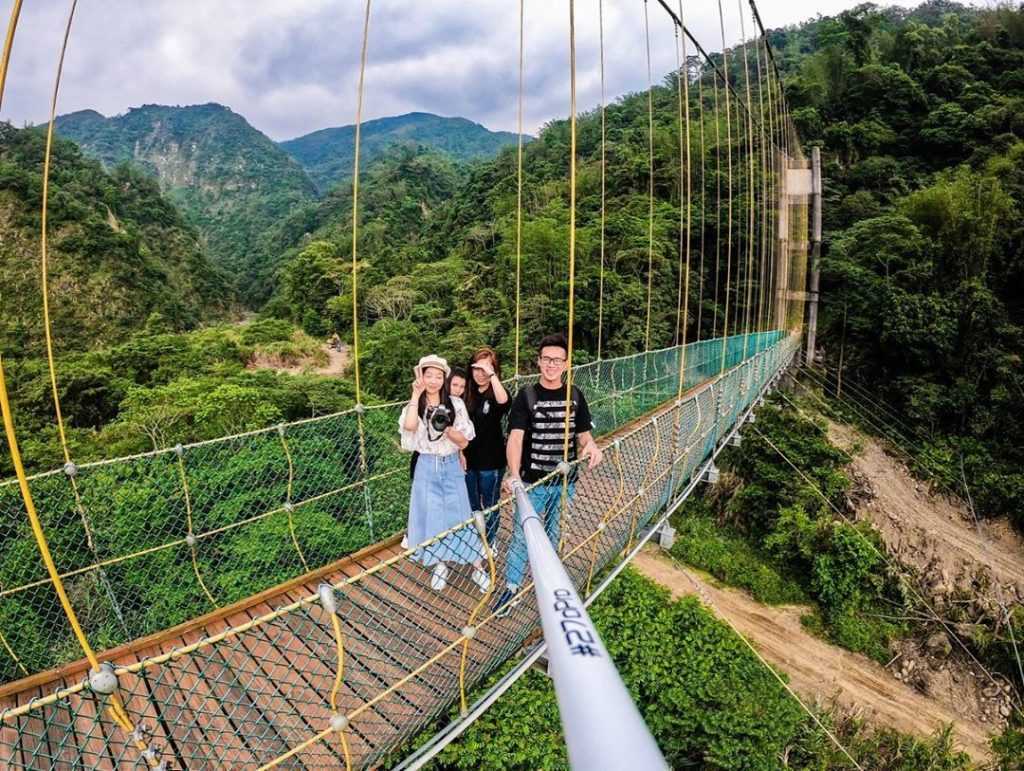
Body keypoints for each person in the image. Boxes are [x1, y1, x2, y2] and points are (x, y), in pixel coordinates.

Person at [494, 333, 603, 614]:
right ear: (539, 362)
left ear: (566, 364)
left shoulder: (575, 395)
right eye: (546, 359)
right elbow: (515, 438)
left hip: (565, 482)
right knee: (522, 536)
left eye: (557, 360)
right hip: (532, 482)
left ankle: (550, 585)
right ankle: (512, 588)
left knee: (556, 534)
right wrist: (514, 474)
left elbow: (583, 435)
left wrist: (592, 446)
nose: (551, 365)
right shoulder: (526, 396)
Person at [399, 354, 490, 593]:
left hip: (450, 464)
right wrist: (415, 394)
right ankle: (439, 564)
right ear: (421, 377)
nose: (433, 380)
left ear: (444, 379)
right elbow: (409, 427)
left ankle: (477, 566)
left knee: (461, 514)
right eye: (428, 375)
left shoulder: (454, 404)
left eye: (438, 376)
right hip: (426, 465)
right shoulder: (416, 404)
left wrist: (447, 428)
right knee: (432, 517)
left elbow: (465, 442)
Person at [462, 347, 510, 547]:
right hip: (467, 458)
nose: (480, 374)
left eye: (486, 369)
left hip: (491, 460)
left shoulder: (496, 393)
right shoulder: (466, 392)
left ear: (494, 370)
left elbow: (504, 402)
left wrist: (492, 376)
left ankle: (489, 541)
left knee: (490, 504)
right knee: (472, 503)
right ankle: (476, 539)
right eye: (477, 368)